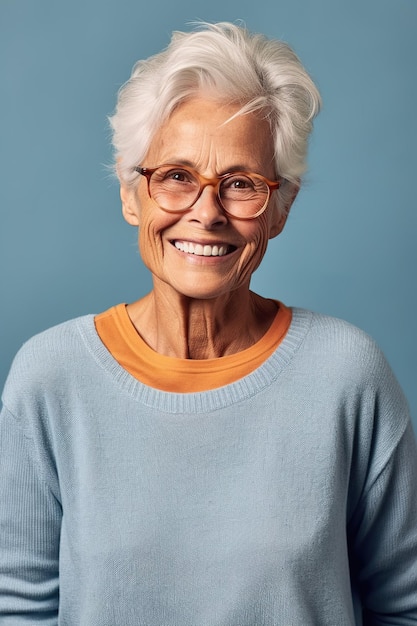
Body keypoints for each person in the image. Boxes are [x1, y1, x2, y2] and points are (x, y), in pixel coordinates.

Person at [0, 21, 416, 626]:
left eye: (241, 184)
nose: (206, 212)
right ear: (130, 193)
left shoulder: (348, 375)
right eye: (176, 177)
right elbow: (17, 608)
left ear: (280, 208)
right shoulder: (51, 376)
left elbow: (405, 606)